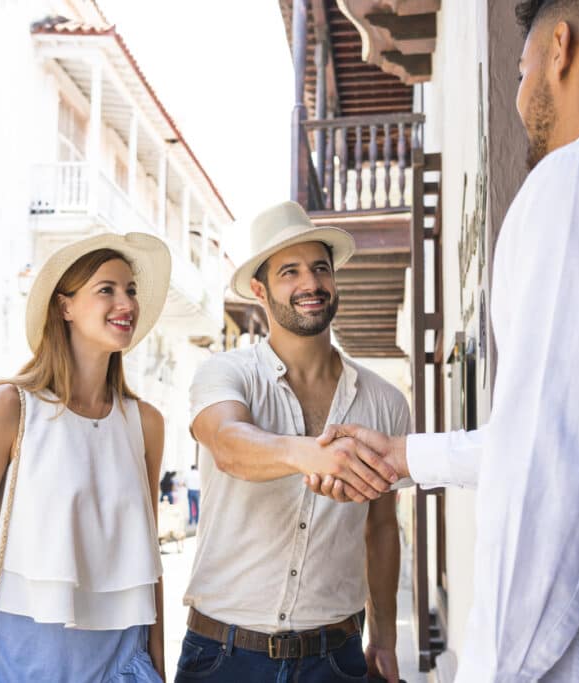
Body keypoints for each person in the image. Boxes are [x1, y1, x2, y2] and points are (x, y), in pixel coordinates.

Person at [308, 1, 579, 681]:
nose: (518, 98)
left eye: (519, 69)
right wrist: (405, 455)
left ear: (560, 49)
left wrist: (492, 670)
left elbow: (559, 472)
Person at [0, 233, 172, 683]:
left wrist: (158, 668)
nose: (126, 303)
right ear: (65, 307)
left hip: (121, 667)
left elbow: (149, 566)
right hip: (18, 663)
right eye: (106, 289)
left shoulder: (146, 422)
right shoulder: (10, 407)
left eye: (131, 290)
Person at [176, 201, 406, 683]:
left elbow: (382, 527)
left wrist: (384, 639)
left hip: (335, 657)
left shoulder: (385, 402)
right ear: (260, 289)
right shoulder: (226, 373)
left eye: (320, 268)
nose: (311, 284)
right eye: (290, 272)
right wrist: (310, 453)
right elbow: (227, 443)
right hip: (223, 655)